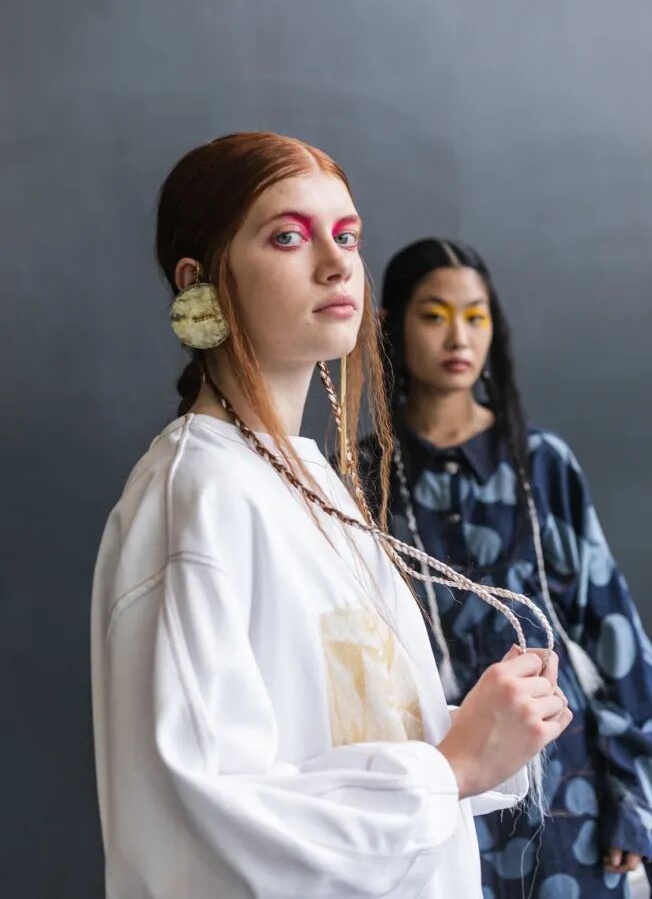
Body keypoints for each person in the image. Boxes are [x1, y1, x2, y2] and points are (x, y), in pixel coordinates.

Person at [90, 135, 571, 899]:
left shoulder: (305, 474)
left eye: (347, 236)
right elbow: (211, 823)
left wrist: (477, 731)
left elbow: (338, 729)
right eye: (288, 236)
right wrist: (452, 767)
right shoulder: (198, 497)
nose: (337, 263)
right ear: (198, 282)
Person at [359, 236, 652, 898]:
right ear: (392, 325)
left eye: (476, 316)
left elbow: (616, 636)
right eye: (434, 315)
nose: (458, 336)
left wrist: (634, 798)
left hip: (569, 790)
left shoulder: (541, 463)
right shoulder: (362, 476)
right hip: (439, 782)